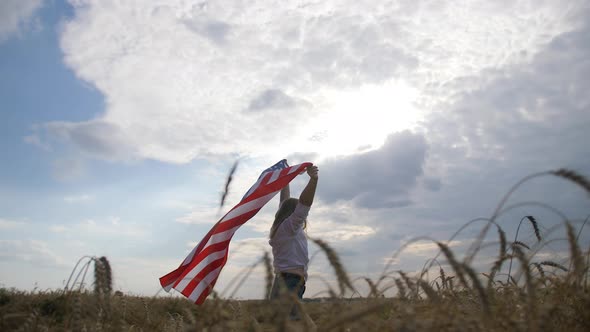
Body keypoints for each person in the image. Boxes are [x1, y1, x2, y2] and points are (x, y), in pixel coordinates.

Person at [268, 163, 318, 318]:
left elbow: (284, 201)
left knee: (280, 322)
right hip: (291, 280)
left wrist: (286, 177)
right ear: (292, 214)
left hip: (280, 280)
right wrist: (313, 180)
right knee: (291, 322)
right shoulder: (290, 227)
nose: (303, 217)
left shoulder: (281, 228)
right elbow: (304, 203)